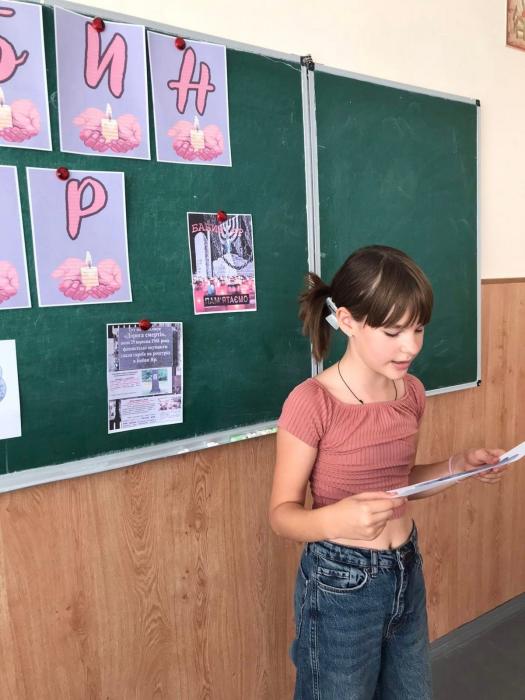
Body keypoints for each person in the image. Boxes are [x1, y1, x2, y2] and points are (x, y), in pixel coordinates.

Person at [268, 245, 509, 700]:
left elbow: (400, 484)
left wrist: (458, 467)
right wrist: (336, 519)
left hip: (405, 568)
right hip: (339, 582)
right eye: (394, 331)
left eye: (418, 329)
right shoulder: (312, 402)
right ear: (348, 321)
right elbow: (282, 515)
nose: (411, 346)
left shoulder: (410, 392)